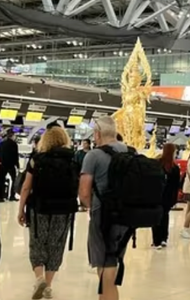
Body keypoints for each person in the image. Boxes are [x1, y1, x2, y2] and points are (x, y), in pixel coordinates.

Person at [17, 126, 78, 300]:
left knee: (37, 243)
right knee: (56, 245)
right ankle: (48, 286)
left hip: (39, 207)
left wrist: (21, 209)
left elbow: (26, 186)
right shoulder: (73, 159)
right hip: (64, 209)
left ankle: (39, 279)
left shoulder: (37, 159)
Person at [78, 116, 133, 300]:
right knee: (114, 260)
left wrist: (90, 208)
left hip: (102, 215)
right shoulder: (130, 152)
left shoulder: (93, 155)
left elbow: (84, 192)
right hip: (126, 217)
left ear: (97, 134)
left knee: (104, 264)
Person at [152, 143, 180, 250]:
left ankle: (156, 240)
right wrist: (174, 199)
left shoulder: (157, 164)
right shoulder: (175, 168)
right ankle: (164, 238)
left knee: (156, 217)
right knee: (165, 216)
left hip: (157, 195)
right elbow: (176, 185)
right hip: (168, 197)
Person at [0, 129, 20, 202]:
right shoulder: (14, 144)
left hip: (3, 165)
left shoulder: (2, 143)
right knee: (14, 180)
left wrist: (0, 162)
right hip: (11, 165)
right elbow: (15, 156)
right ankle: (12, 196)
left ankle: (0, 197)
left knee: (1, 180)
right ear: (12, 135)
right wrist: (17, 165)